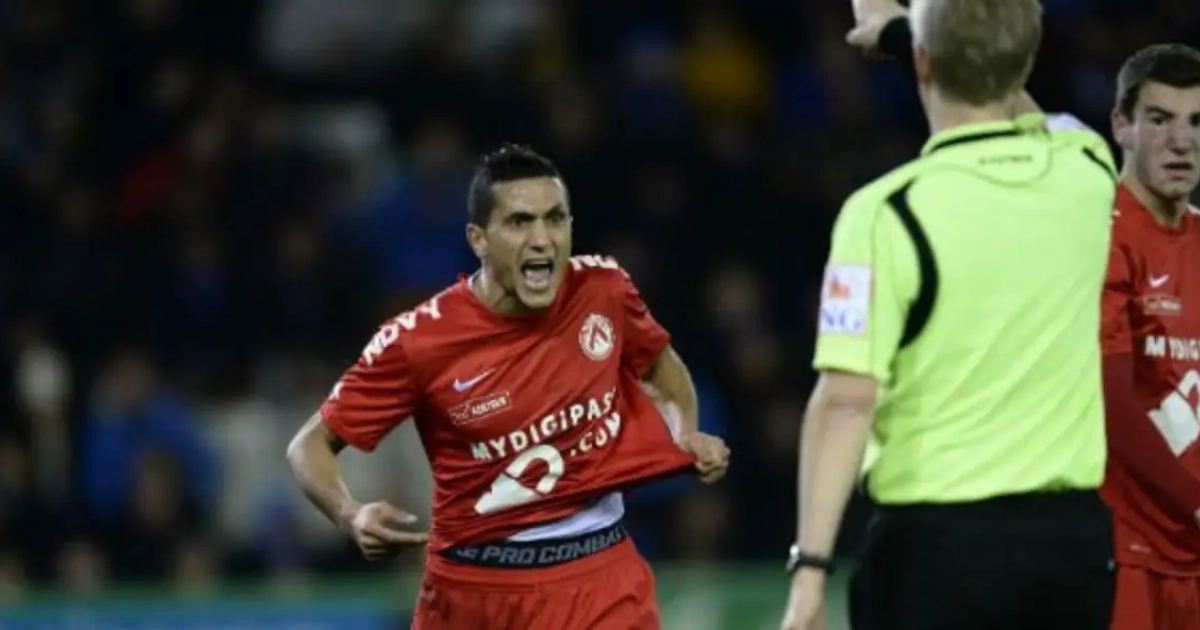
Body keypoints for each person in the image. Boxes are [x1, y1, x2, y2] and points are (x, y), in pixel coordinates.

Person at [286, 144, 730, 630]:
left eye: (555, 219)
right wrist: (349, 514)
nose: (542, 239)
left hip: (600, 578)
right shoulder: (419, 341)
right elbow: (309, 446)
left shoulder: (603, 289)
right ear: (478, 239)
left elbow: (662, 371)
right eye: (520, 222)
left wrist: (685, 433)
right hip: (472, 595)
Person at [780, 0, 1117, 628]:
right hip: (1071, 549)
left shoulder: (886, 213)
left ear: (923, 64)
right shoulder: (1088, 168)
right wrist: (911, 35)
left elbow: (846, 402)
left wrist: (810, 572)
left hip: (935, 553)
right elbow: (1029, 108)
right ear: (1026, 59)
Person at [1100, 44, 1200, 630]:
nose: (1182, 142)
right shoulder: (1100, 235)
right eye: (1160, 119)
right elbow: (1112, 405)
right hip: (1129, 553)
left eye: (1197, 122)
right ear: (1122, 126)